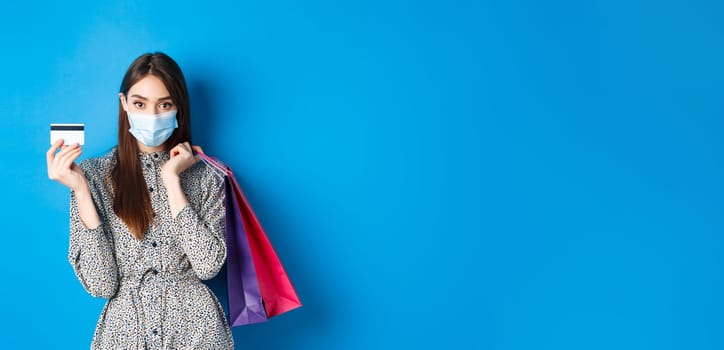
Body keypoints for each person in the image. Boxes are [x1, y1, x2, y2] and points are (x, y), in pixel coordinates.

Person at [46, 52, 235, 349]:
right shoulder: (94, 176)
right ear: (124, 104)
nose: (151, 115)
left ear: (178, 108)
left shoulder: (209, 176)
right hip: (125, 335)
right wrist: (81, 190)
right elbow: (101, 284)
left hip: (198, 334)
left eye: (165, 104)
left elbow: (208, 266)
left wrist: (172, 180)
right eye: (140, 104)